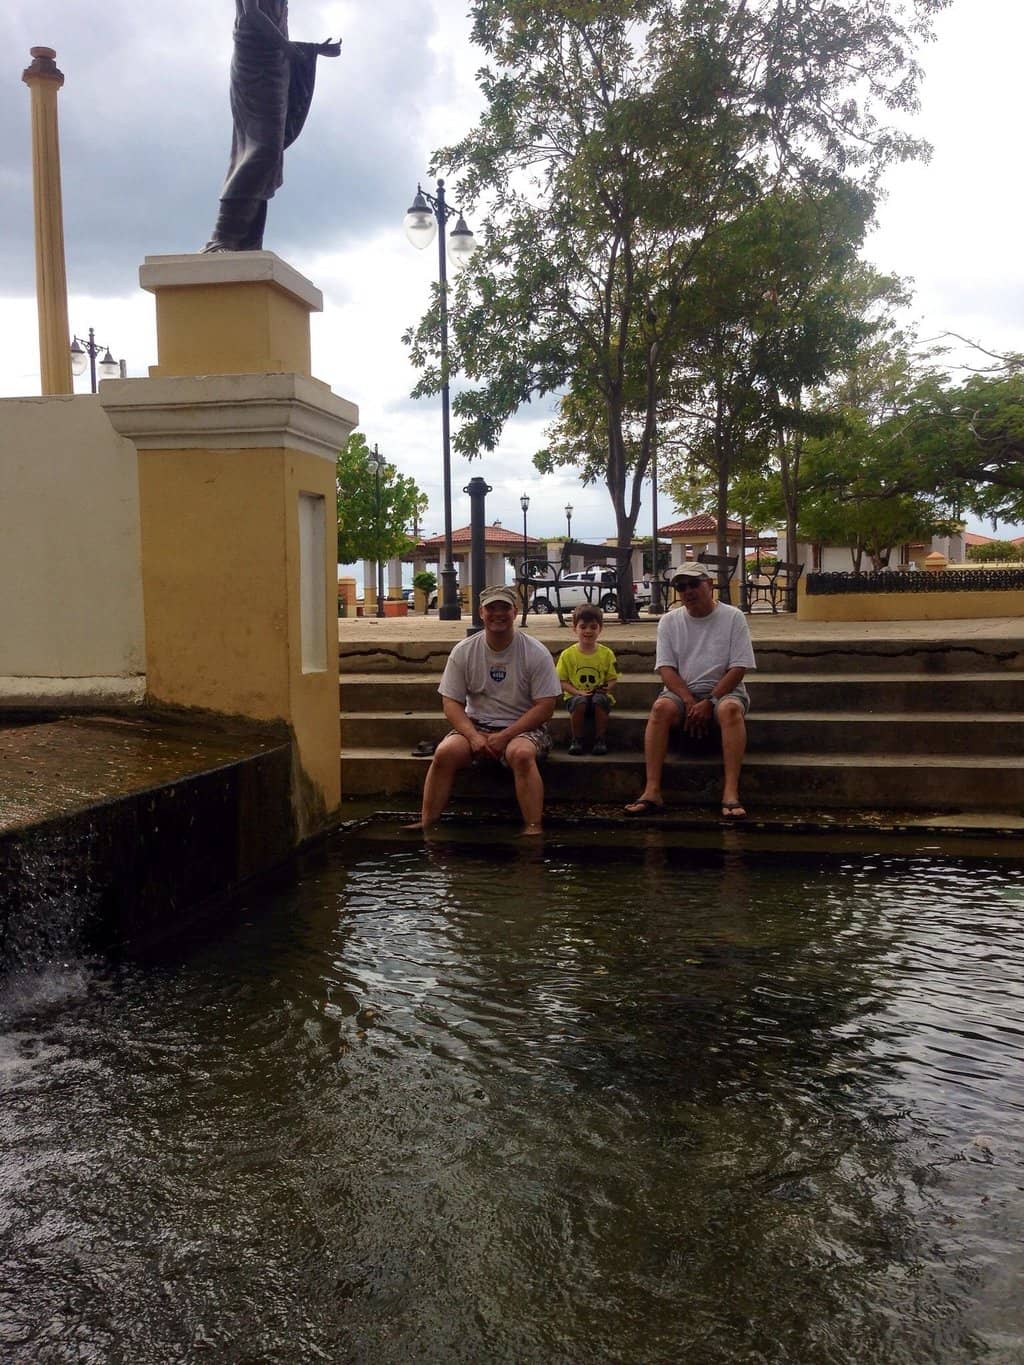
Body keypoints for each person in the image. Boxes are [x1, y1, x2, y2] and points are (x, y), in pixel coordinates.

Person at [404, 585, 562, 836]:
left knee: (521, 754)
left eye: (504, 608)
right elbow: (451, 702)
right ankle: (427, 821)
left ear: (515, 612)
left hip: (523, 728)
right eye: (491, 608)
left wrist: (507, 735)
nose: (497, 614)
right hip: (477, 725)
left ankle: (533, 826)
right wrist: (473, 735)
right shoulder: (464, 651)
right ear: (481, 612)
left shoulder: (535, 652)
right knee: (444, 753)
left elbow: (545, 707)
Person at [202, 1, 341, 253]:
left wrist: (313, 50)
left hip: (277, 65)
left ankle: (246, 239)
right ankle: (222, 235)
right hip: (253, 63)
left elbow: (276, 22)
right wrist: (286, 47)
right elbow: (251, 14)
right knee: (261, 149)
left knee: (271, 154)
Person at [625, 563, 756, 819]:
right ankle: (652, 790)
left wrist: (710, 700)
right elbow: (665, 668)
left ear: (709, 584)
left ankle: (730, 792)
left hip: (723, 690)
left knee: (729, 709)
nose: (687, 591)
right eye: (681, 586)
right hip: (682, 691)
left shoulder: (733, 617)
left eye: (693, 584)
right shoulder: (669, 621)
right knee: (660, 708)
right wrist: (689, 700)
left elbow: (739, 667)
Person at [556, 605, 618, 755]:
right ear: (575, 628)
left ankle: (600, 739)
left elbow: (613, 678)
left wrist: (606, 688)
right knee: (579, 702)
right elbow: (561, 681)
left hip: (599, 696)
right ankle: (577, 739)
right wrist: (578, 692)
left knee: (600, 700)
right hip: (575, 696)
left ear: (600, 629)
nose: (588, 631)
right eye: (583, 627)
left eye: (593, 627)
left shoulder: (607, 654)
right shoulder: (567, 655)